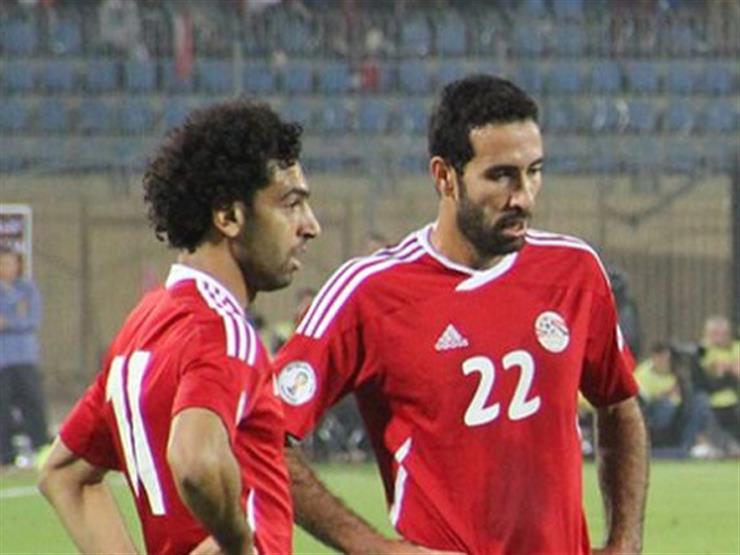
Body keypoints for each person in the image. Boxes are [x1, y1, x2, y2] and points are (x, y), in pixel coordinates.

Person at [275, 74, 648, 555]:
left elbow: (618, 405)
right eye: (501, 176)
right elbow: (263, 432)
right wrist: (370, 547)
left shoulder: (574, 271)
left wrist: (624, 542)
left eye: (534, 171)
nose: (524, 196)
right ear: (444, 176)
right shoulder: (370, 292)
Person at [37, 99, 321, 555]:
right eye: (291, 204)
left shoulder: (142, 326)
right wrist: (238, 544)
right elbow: (195, 462)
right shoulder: (222, 331)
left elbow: (64, 474)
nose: (311, 226)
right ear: (228, 216)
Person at [0, 246, 50, 469]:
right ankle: (5, 456)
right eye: (3, 263)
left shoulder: (27, 289)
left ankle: (42, 449)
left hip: (25, 357)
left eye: (11, 263)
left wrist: (8, 322)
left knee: (33, 403)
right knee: (3, 407)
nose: (7, 268)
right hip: (2, 360)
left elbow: (32, 320)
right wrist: (15, 316)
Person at [696, 315, 740, 441]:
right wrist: (731, 366)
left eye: (724, 333)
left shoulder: (737, 346)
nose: (721, 337)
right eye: (716, 333)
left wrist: (727, 367)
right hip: (712, 393)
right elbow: (711, 368)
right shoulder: (703, 349)